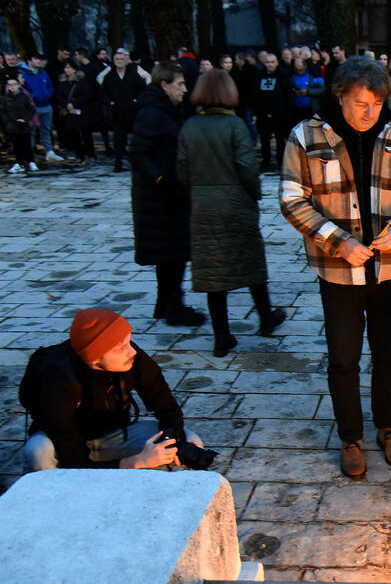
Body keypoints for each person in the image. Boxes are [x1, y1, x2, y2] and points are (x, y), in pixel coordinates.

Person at [280, 56, 391, 480]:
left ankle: (388, 427)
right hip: (338, 272)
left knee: (388, 353)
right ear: (340, 97)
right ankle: (351, 435)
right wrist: (339, 240)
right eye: (360, 103)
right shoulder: (307, 135)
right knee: (344, 357)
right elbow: (292, 199)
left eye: (376, 103)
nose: (369, 113)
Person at [176, 69, 286, 357]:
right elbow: (247, 168)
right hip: (235, 202)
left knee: (213, 270)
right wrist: (254, 193)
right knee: (250, 261)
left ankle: (221, 336)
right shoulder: (235, 125)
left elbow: (182, 170)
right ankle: (265, 317)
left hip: (202, 204)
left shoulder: (189, 126)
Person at [21, 309, 203, 471]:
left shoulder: (133, 358)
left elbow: (167, 407)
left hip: (113, 435)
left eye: (129, 342)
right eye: (121, 347)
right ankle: (47, 498)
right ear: (94, 358)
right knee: (38, 452)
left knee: (191, 441)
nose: (131, 351)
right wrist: (136, 462)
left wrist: (173, 443)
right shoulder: (57, 380)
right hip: (63, 443)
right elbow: (73, 460)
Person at [129, 62, 205, 327]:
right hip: (160, 197)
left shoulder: (168, 110)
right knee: (172, 253)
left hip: (170, 194)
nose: (185, 89)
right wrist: (161, 178)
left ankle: (165, 304)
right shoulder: (151, 113)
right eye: (180, 84)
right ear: (164, 84)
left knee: (172, 253)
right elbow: (137, 152)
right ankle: (173, 307)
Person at [100, 48, 151, 173]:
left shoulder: (133, 75)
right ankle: (118, 164)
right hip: (117, 113)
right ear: (113, 60)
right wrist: (109, 102)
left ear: (126, 61)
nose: (119, 61)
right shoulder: (110, 76)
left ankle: (136, 163)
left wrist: (136, 101)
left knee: (136, 140)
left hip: (133, 113)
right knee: (118, 140)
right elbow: (102, 93)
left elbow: (144, 90)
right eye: (117, 59)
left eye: (122, 59)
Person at [18, 52, 63, 164]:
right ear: (29, 61)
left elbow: (49, 86)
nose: (38, 61)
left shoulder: (42, 73)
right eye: (36, 59)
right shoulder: (23, 74)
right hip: (33, 106)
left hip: (46, 104)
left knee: (46, 129)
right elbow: (24, 89)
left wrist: (47, 94)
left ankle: (49, 151)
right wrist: (33, 96)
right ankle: (31, 152)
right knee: (32, 130)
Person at [252, 52, 293, 173]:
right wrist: (255, 111)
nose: (270, 65)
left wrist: (287, 113)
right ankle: (266, 161)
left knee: (280, 141)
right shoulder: (259, 76)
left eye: (272, 62)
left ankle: (281, 163)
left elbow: (288, 96)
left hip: (279, 115)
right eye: (267, 62)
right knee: (264, 140)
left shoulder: (283, 76)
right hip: (263, 114)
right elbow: (255, 95)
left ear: (277, 63)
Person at [55, 61, 97, 166]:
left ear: (74, 69)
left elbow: (87, 95)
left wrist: (75, 103)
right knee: (74, 136)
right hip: (70, 113)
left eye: (68, 67)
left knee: (86, 135)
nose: (66, 70)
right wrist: (66, 104)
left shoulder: (82, 81)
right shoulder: (62, 82)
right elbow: (59, 96)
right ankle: (80, 156)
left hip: (82, 111)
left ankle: (91, 155)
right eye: (65, 68)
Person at [2, 75, 38, 173]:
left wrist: (26, 119)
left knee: (26, 144)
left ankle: (31, 161)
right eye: (10, 85)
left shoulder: (24, 96)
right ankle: (19, 163)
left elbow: (31, 110)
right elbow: (3, 111)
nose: (12, 87)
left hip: (24, 124)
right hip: (12, 125)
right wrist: (7, 121)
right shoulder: (6, 98)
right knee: (16, 145)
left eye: (14, 84)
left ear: (18, 85)